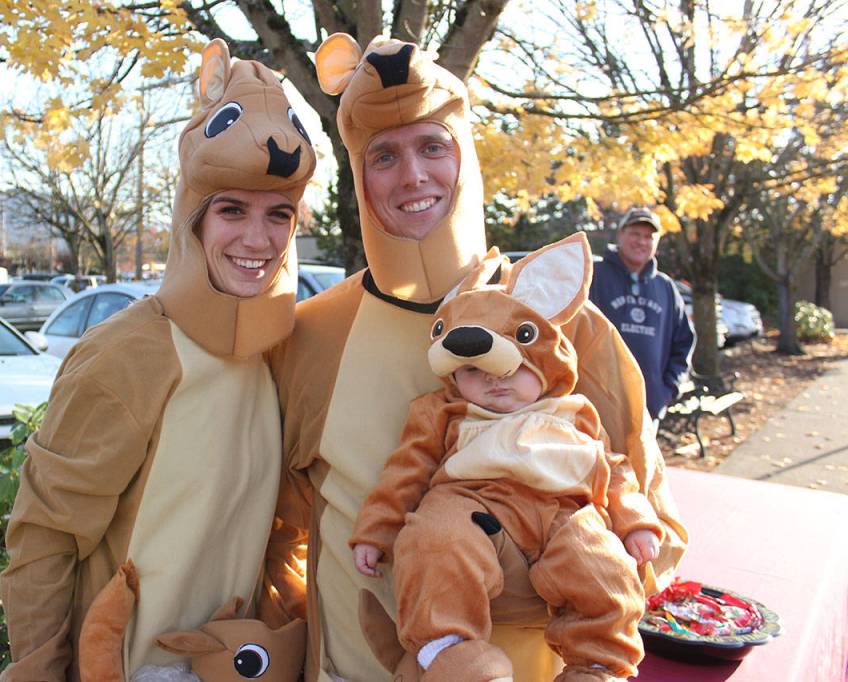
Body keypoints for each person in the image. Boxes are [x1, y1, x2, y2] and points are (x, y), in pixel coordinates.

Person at [263, 33, 688, 682]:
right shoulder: (312, 334)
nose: (413, 175)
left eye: (433, 145)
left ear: (466, 155)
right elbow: (285, 530)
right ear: (357, 174)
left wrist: (518, 565)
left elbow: (652, 523)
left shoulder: (563, 320)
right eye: (384, 155)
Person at [0, 39, 316, 682]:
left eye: (277, 215)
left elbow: (282, 532)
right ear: (193, 220)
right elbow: (44, 538)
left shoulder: (281, 352)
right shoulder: (124, 352)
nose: (258, 239)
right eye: (232, 210)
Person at [350, 234, 662, 681]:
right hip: (472, 501)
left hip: (564, 512)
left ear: (543, 363)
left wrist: (635, 521)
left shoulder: (574, 412)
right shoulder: (445, 411)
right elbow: (406, 470)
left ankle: (597, 663)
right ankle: (452, 654)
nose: (496, 382)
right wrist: (376, 531)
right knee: (432, 542)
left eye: (512, 367)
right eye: (475, 371)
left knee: (603, 566)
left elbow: (615, 470)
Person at [589, 207, 695, 421]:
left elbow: (684, 342)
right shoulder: (593, 275)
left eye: (648, 236)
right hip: (597, 408)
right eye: (635, 234)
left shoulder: (665, 287)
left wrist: (669, 389)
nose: (641, 241)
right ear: (620, 234)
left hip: (648, 410)